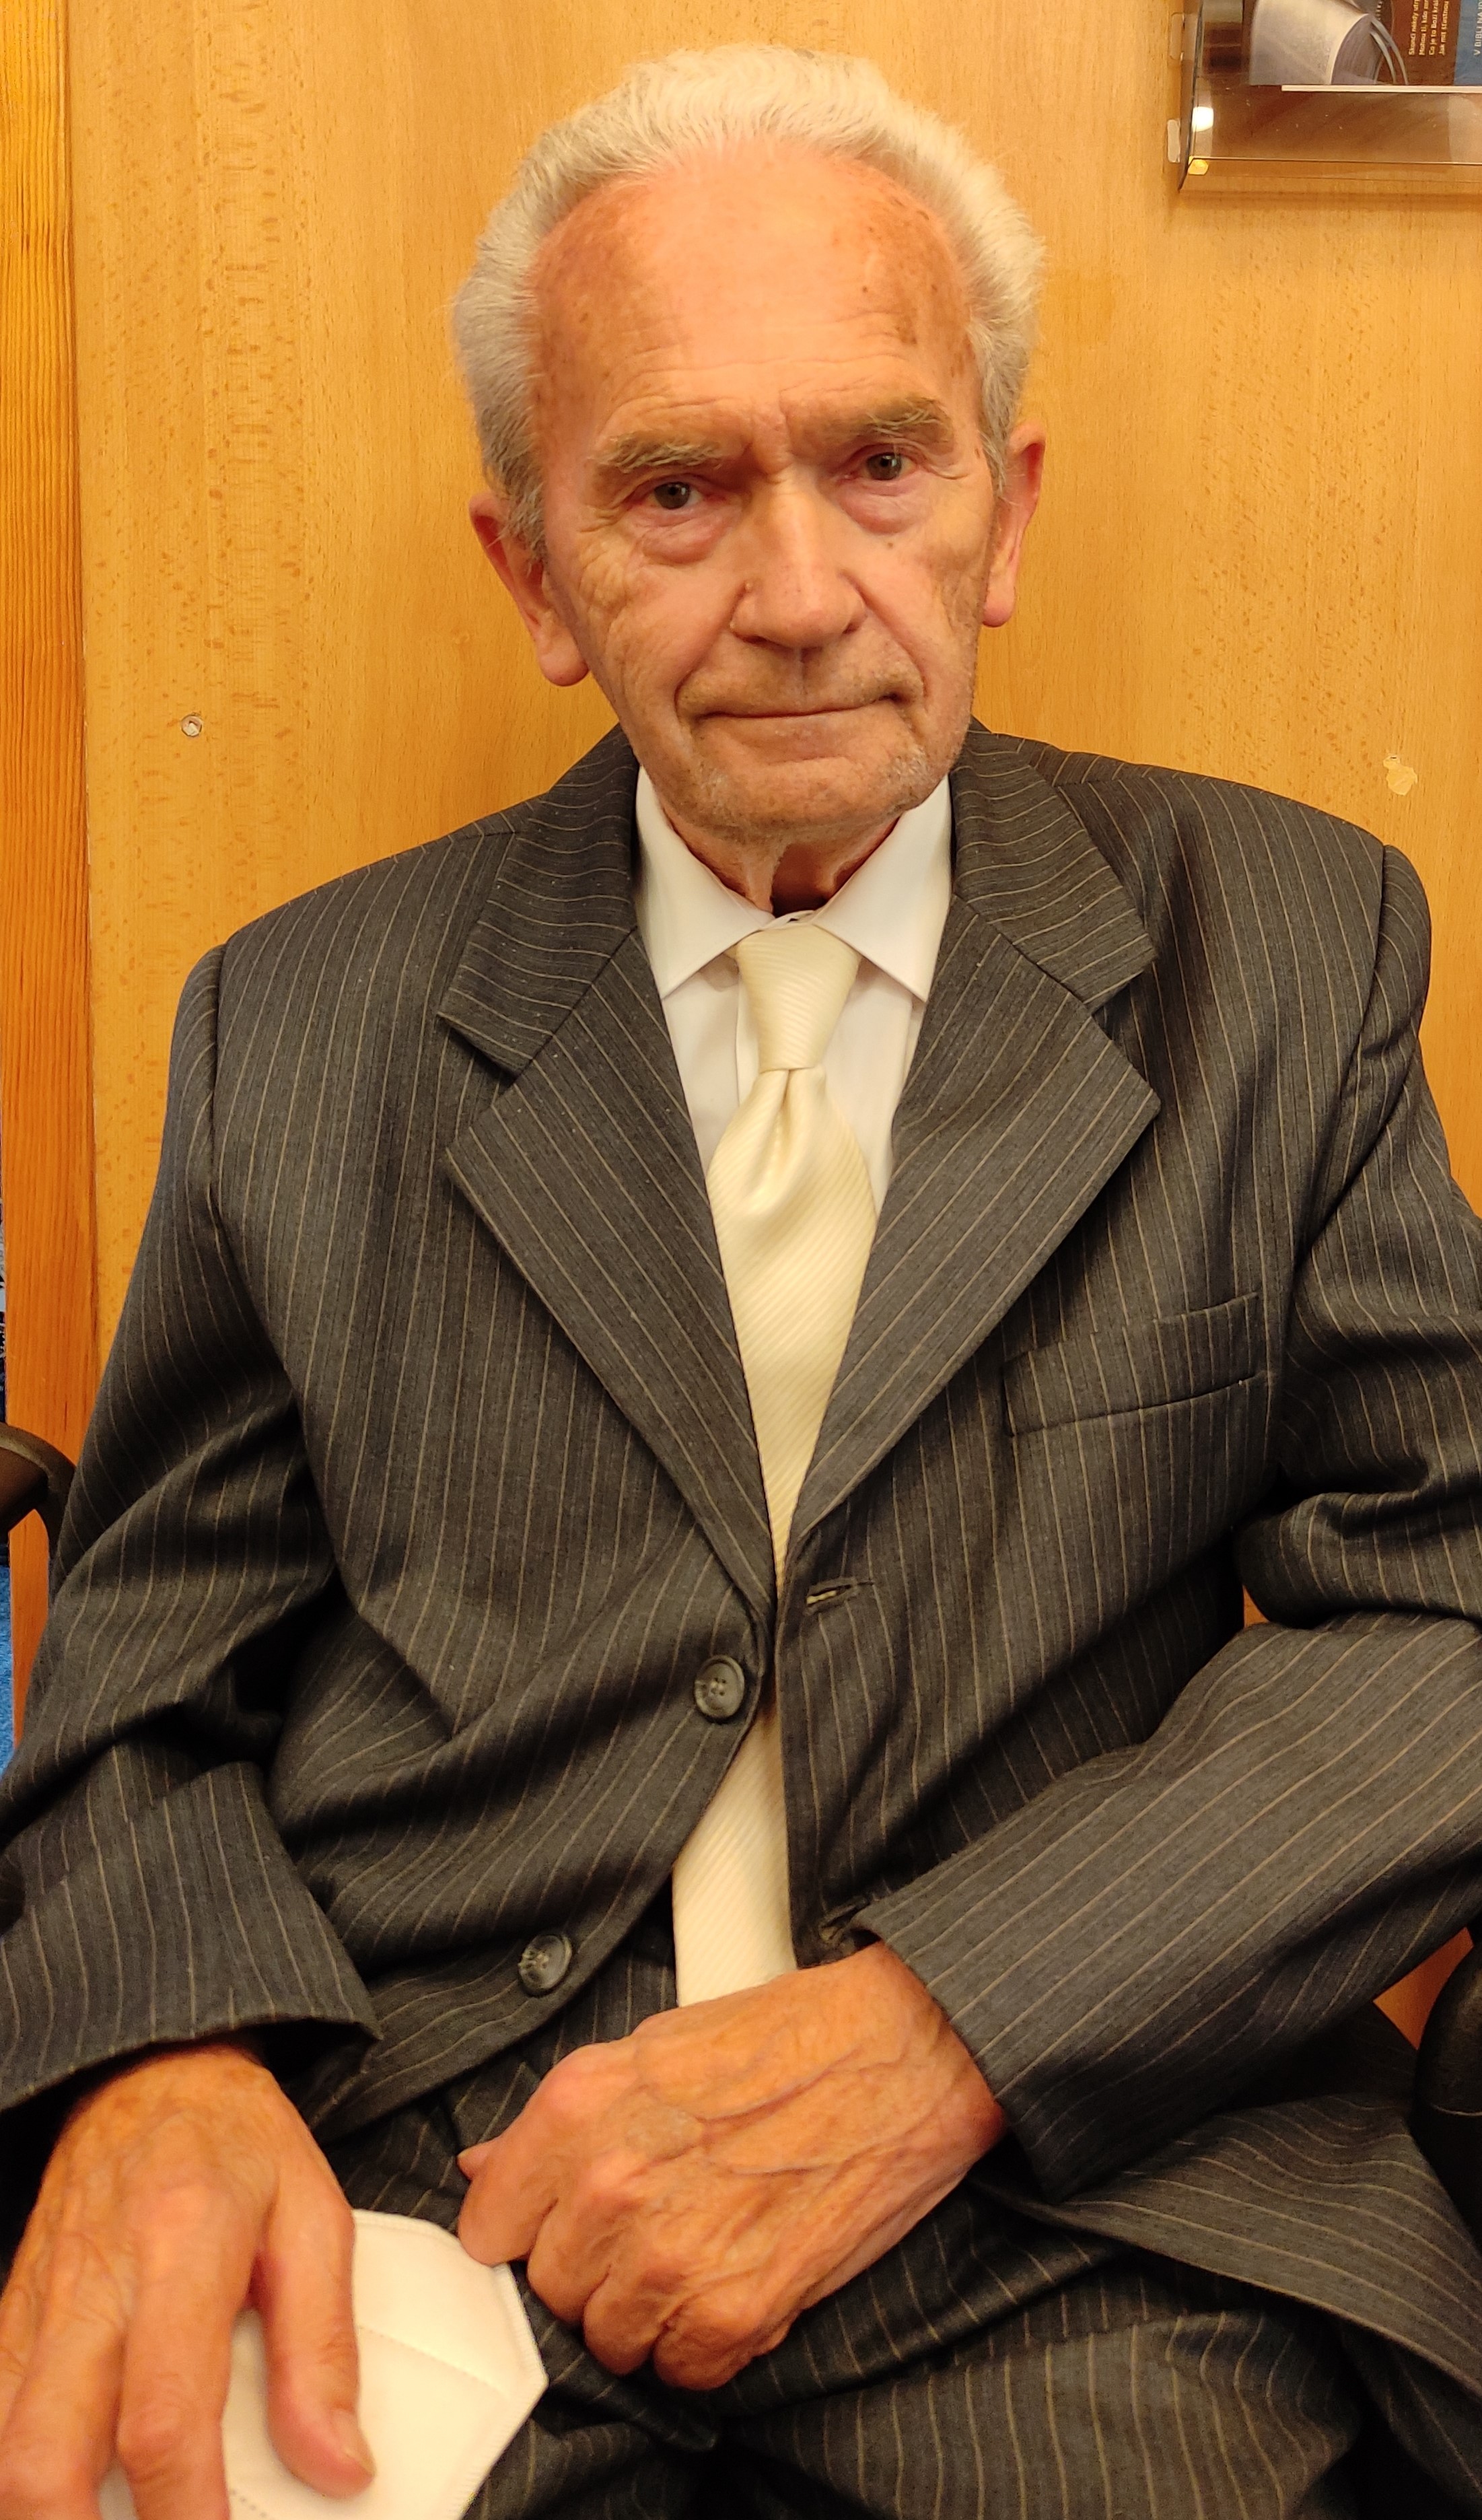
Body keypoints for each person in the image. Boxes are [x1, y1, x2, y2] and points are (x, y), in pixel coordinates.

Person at [3, 42, 1482, 2520]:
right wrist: (168, 2061)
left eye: (881, 462)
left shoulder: (1284, 946)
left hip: (1082, 2232)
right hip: (424, 2199)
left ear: (1002, 514)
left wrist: (953, 2024)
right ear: (534, 576)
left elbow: (1448, 1603)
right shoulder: (301, 1021)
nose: (798, 599)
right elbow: (141, 1687)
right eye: (675, 489)